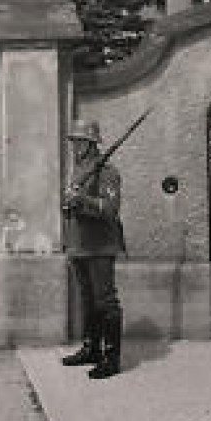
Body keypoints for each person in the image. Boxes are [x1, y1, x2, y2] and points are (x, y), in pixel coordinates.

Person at [61, 119, 125, 380]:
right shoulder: (79, 169)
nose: (74, 146)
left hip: (100, 245)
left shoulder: (107, 172)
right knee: (88, 300)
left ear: (90, 144)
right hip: (79, 243)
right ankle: (91, 349)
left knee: (105, 301)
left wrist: (81, 199)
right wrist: (68, 205)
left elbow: (110, 209)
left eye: (79, 141)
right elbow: (72, 205)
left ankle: (111, 358)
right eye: (73, 141)